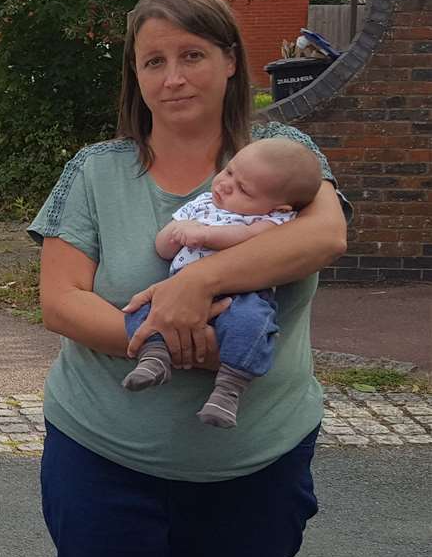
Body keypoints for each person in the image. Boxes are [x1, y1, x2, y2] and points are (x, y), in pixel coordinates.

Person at [29, 0, 350, 557]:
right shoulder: (97, 171)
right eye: (154, 61)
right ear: (135, 78)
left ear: (231, 63)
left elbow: (325, 237)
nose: (173, 77)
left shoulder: (283, 156)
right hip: (103, 461)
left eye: (193, 55)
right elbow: (62, 301)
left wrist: (198, 282)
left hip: (251, 474)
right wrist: (162, 335)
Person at [123, 138, 324, 427]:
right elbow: (163, 249)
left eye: (243, 189)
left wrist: (206, 236)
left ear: (278, 206)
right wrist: (177, 232)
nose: (226, 184)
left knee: (252, 325)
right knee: (141, 309)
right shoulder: (202, 204)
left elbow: (253, 239)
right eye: (229, 171)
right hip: (177, 290)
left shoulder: (272, 220)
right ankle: (154, 358)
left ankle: (229, 390)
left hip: (242, 295)